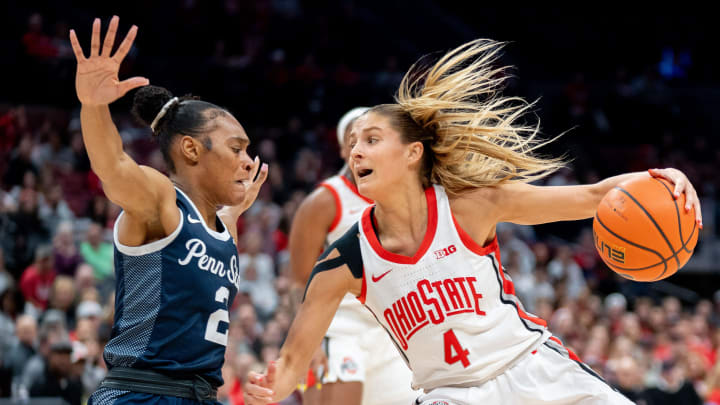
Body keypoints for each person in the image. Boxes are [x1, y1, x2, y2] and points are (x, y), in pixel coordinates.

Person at [244, 39, 702, 405]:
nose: (356, 151)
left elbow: (597, 196)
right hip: (450, 395)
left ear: (412, 153)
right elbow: (291, 359)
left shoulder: (469, 206)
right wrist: (275, 385)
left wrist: (663, 178)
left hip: (531, 368)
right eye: (353, 143)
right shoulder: (346, 258)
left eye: (372, 138)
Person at [68, 16, 268, 404]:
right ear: (192, 149)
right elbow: (113, 166)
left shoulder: (223, 229)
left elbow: (221, 226)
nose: (248, 160)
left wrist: (239, 208)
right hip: (141, 394)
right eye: (236, 148)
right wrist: (93, 106)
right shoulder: (162, 201)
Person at [288, 107, 417, 405]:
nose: (364, 147)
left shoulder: (402, 198)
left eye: (374, 139)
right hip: (339, 327)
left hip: (391, 330)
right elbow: (297, 282)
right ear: (346, 148)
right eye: (357, 140)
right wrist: (308, 343)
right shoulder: (323, 201)